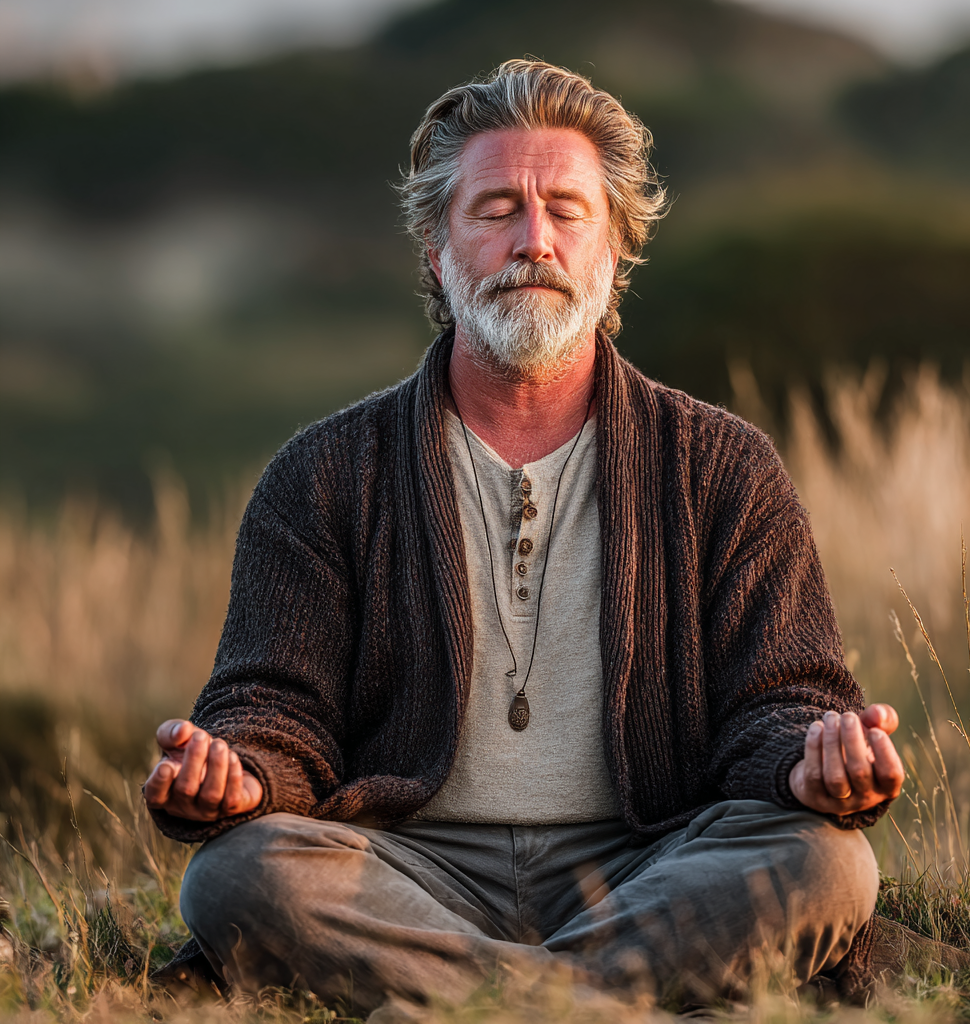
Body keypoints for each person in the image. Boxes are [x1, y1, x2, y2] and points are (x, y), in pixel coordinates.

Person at [145, 60, 905, 1016]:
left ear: (615, 247)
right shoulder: (324, 473)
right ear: (437, 246)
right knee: (235, 873)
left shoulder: (722, 466)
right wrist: (235, 774)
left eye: (567, 211)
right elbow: (271, 705)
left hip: (648, 863)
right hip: (410, 871)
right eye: (496, 208)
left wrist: (814, 758)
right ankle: (594, 1004)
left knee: (827, 864)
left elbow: (782, 700)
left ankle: (474, 1002)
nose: (533, 240)